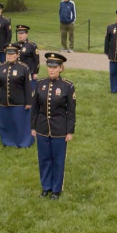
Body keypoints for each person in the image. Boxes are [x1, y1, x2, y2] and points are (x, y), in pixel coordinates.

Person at [31, 52, 76, 200]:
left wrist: (70, 131)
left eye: (55, 67)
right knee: (44, 159)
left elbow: (71, 111)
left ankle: (56, 189)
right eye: (49, 67)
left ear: (61, 68)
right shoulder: (40, 84)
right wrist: (33, 127)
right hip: (42, 128)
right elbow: (35, 108)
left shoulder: (67, 86)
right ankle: (46, 187)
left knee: (57, 159)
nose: (51, 70)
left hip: (59, 129)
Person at [0, 43, 34, 148]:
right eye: (8, 54)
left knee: (19, 124)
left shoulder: (24, 68)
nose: (10, 56)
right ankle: (7, 141)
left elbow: (28, 86)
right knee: (6, 123)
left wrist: (29, 102)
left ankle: (22, 142)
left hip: (19, 101)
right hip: (4, 101)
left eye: (12, 54)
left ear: (17, 54)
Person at [16, 25, 40, 90]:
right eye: (19, 33)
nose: (20, 35)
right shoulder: (15, 45)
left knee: (31, 92)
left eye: (22, 33)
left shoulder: (32, 45)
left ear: (26, 34)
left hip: (29, 72)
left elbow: (36, 60)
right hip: (18, 72)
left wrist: (35, 72)